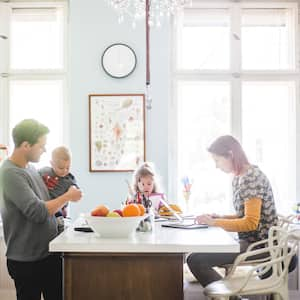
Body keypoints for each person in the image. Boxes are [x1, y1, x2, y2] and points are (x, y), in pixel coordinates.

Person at [0, 119, 82, 300]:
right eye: (41, 146)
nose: (45, 150)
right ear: (26, 145)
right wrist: (67, 196)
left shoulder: (32, 169)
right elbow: (37, 212)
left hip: (47, 254)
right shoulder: (9, 173)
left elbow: (48, 203)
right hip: (27, 260)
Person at [187, 135, 278, 287]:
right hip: (250, 243)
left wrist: (215, 222)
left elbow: (250, 223)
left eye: (217, 160)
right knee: (195, 256)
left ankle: (229, 297)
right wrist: (220, 217)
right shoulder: (238, 177)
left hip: (261, 246)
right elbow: (244, 216)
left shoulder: (251, 178)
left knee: (195, 259)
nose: (216, 166)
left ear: (230, 155)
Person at [39, 146, 79, 233]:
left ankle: (61, 230)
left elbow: (75, 192)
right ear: (52, 163)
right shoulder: (44, 172)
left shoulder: (69, 179)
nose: (65, 171)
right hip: (46, 206)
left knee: (60, 221)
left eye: (68, 167)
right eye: (61, 168)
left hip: (60, 209)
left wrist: (74, 191)